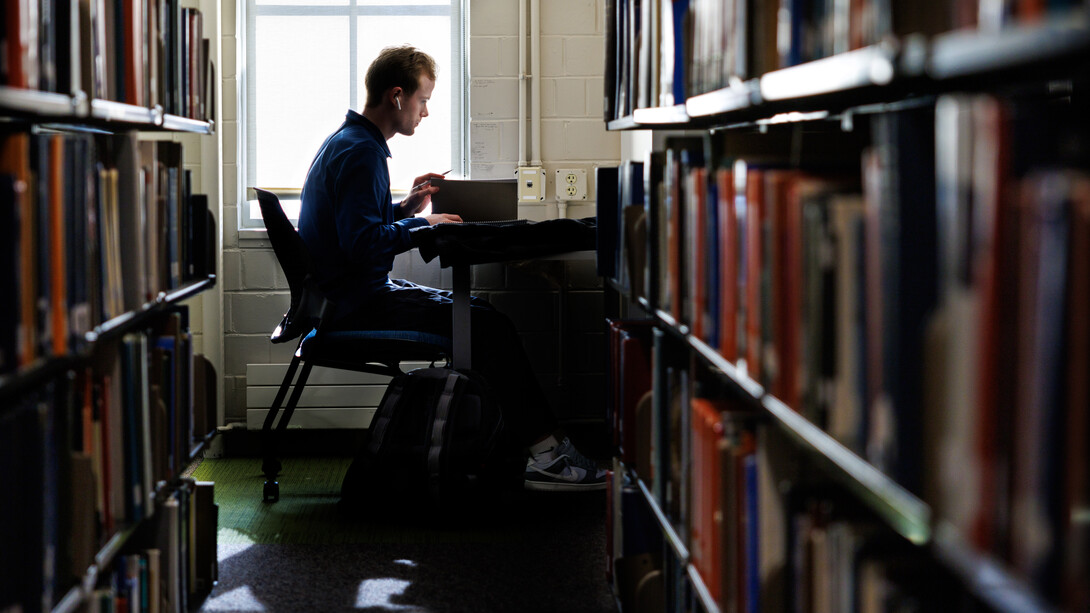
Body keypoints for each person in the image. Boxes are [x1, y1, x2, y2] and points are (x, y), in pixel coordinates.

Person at [297, 45, 606, 491]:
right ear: (397, 96)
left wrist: (403, 206)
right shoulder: (362, 153)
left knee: (481, 317)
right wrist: (422, 224)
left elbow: (352, 226)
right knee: (488, 328)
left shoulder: (347, 142)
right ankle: (548, 456)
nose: (424, 113)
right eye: (423, 101)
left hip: (346, 298)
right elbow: (362, 244)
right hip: (356, 305)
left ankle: (538, 448)